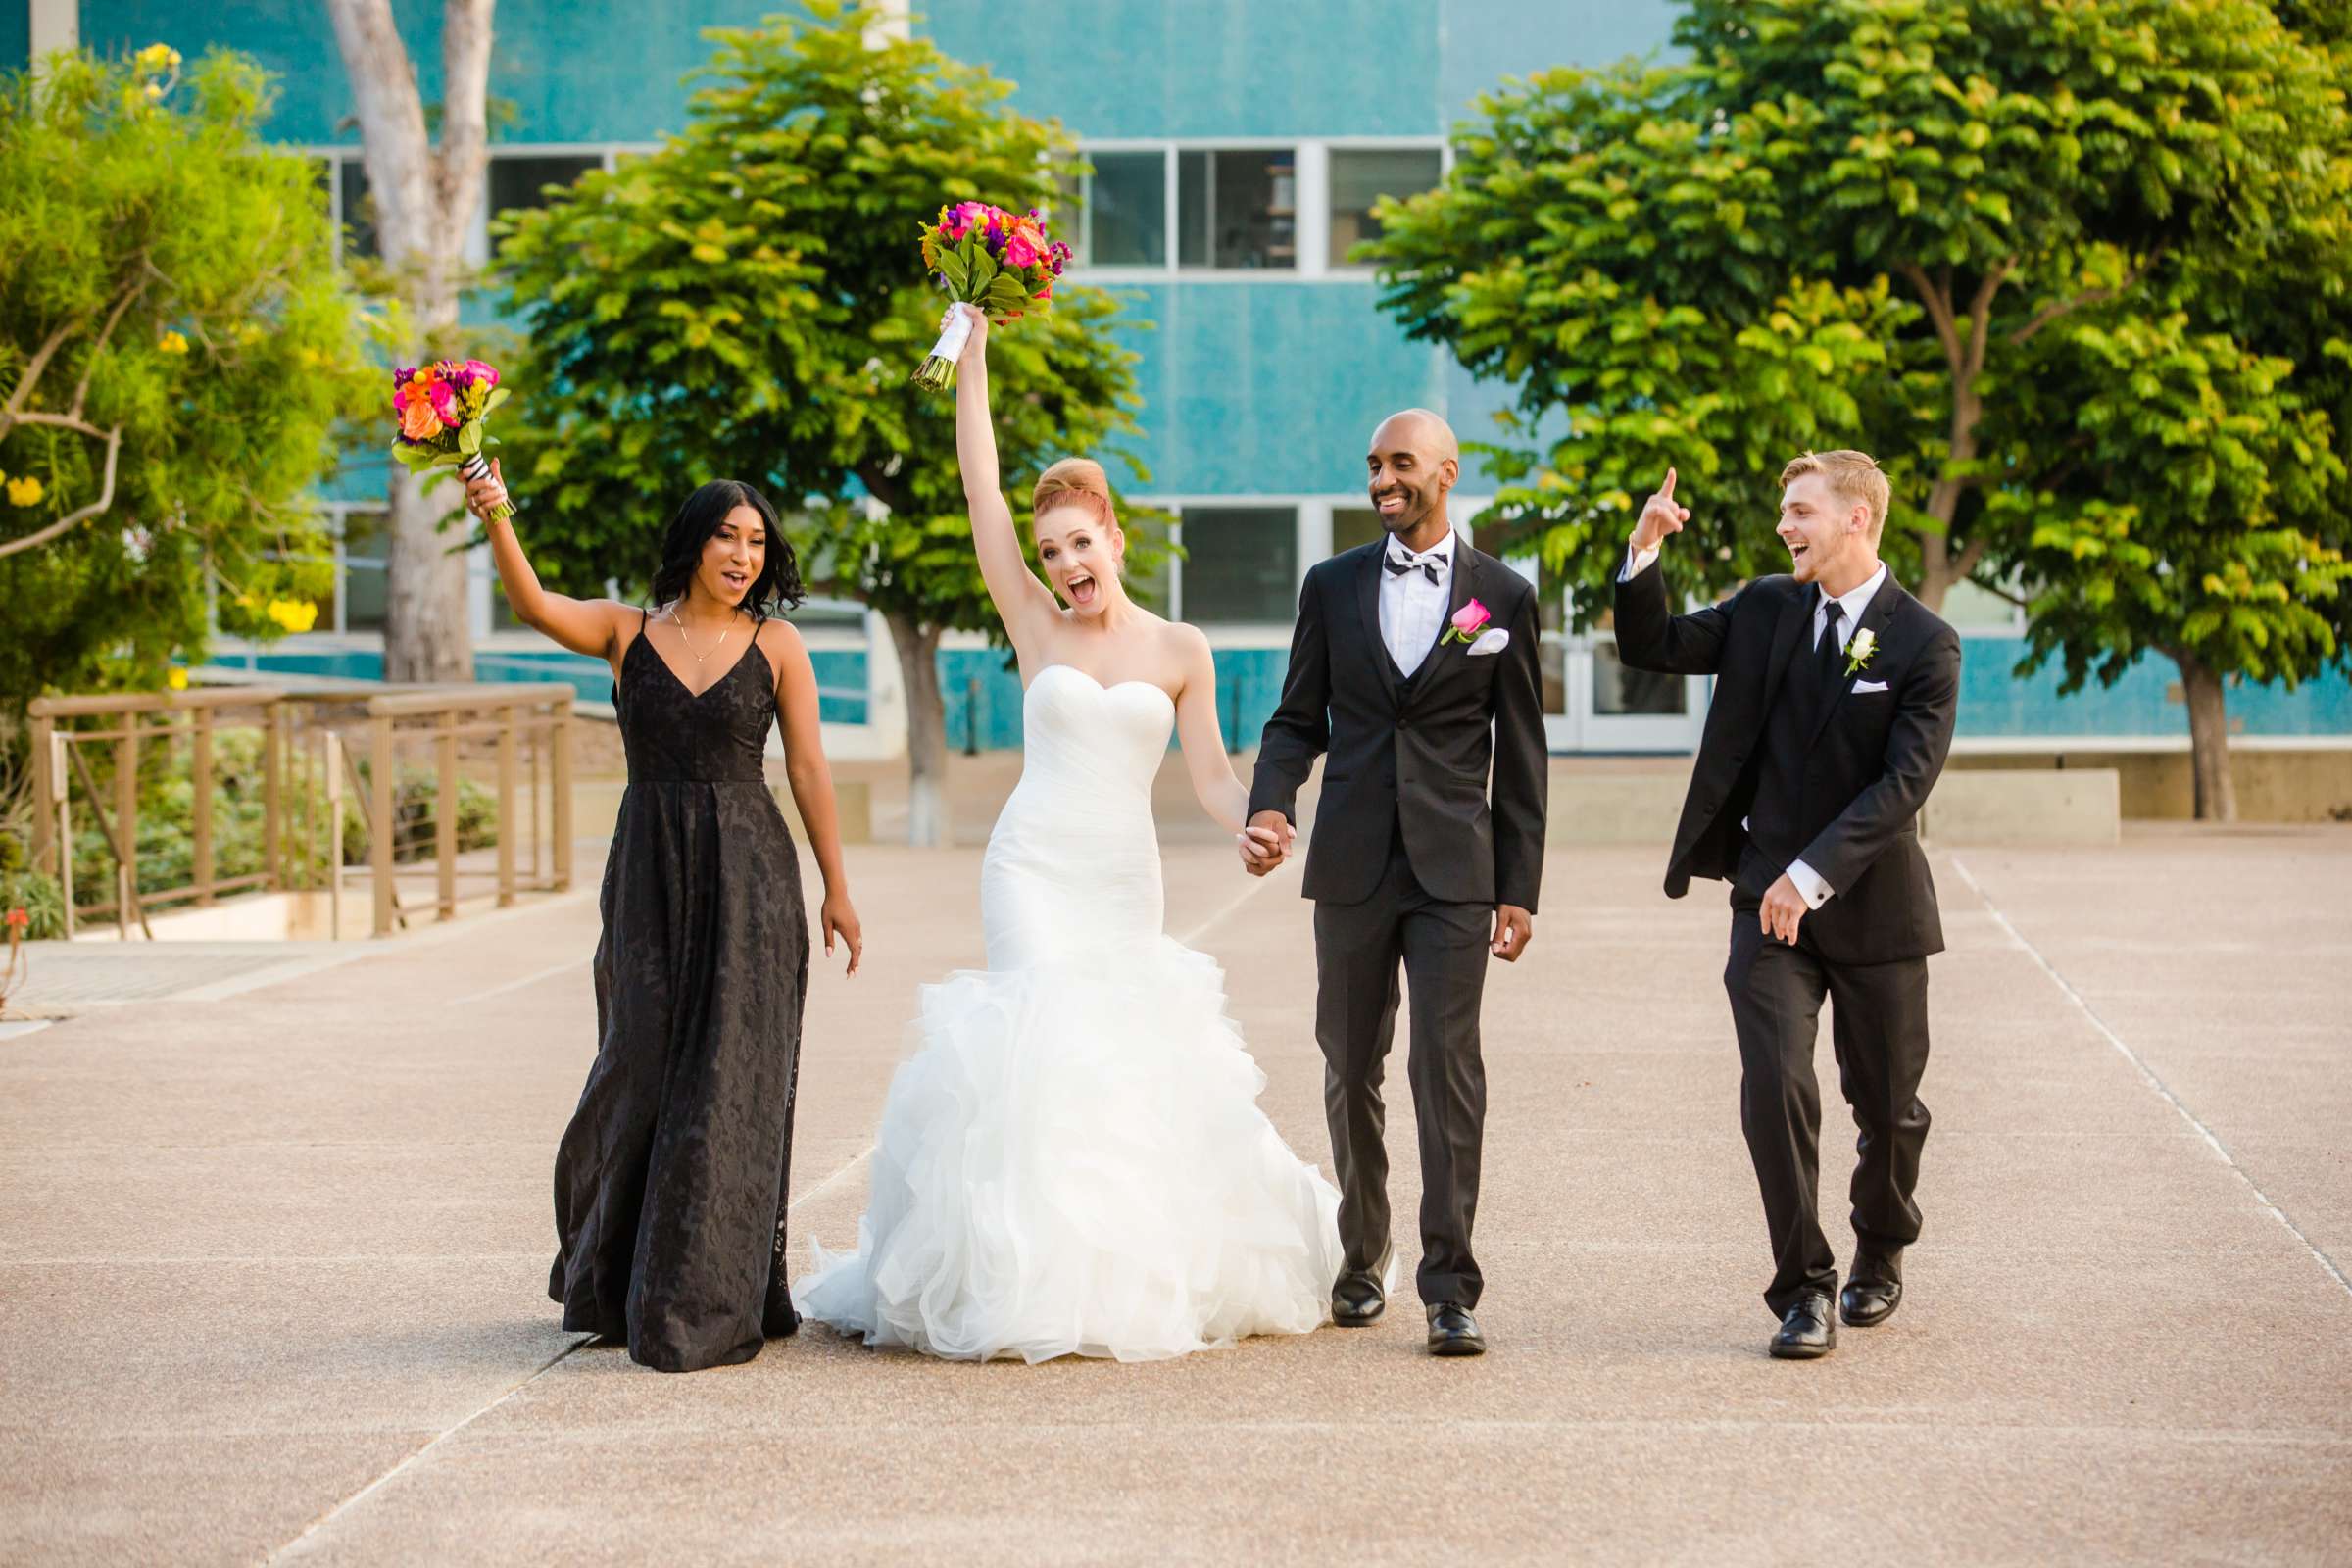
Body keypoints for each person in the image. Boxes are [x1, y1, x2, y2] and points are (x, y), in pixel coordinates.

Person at [793, 304, 1342, 1362]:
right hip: (1032, 870)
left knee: (1120, 1056)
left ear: (1115, 537)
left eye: (1079, 543)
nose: (1065, 564)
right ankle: (1022, 1277)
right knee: (1041, 1043)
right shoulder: (1033, 621)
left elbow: (1217, 779)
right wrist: (975, 361)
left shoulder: (1182, 647)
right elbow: (979, 487)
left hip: (1121, 878)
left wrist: (1262, 824)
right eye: (1050, 550)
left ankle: (1119, 1266)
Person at [462, 462, 863, 1373]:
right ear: (695, 540)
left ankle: (697, 1296)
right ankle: (609, 1275)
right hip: (646, 871)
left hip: (750, 877)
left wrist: (835, 887)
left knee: (727, 1080)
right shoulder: (625, 631)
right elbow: (530, 603)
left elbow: (806, 772)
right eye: (729, 535)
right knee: (635, 1062)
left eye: (758, 542)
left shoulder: (778, 647)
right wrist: (496, 511)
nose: (743, 555)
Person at [1611, 451, 1959, 1360]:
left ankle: (1879, 1251)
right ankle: (1802, 1288)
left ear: (1856, 519)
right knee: (1775, 1085)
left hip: (1874, 909)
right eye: (1784, 513)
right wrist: (1643, 553)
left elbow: (1905, 781)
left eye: (1800, 511)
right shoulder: (1766, 606)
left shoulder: (1925, 642)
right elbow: (1656, 647)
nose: (1784, 527)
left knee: (1889, 1108)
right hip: (1763, 902)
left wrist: (1813, 874)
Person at [1242, 409, 1548, 1357]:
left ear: (1447, 472)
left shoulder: (1503, 594)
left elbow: (1523, 754)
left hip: (1458, 867)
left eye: (1400, 464)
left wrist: (1519, 886)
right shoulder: (1329, 586)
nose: (1382, 479)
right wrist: (1272, 801)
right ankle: (1360, 1257)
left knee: (1446, 1071)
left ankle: (1450, 1287)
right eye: (1373, 464)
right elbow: (1298, 717)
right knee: (1348, 1061)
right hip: (1353, 863)